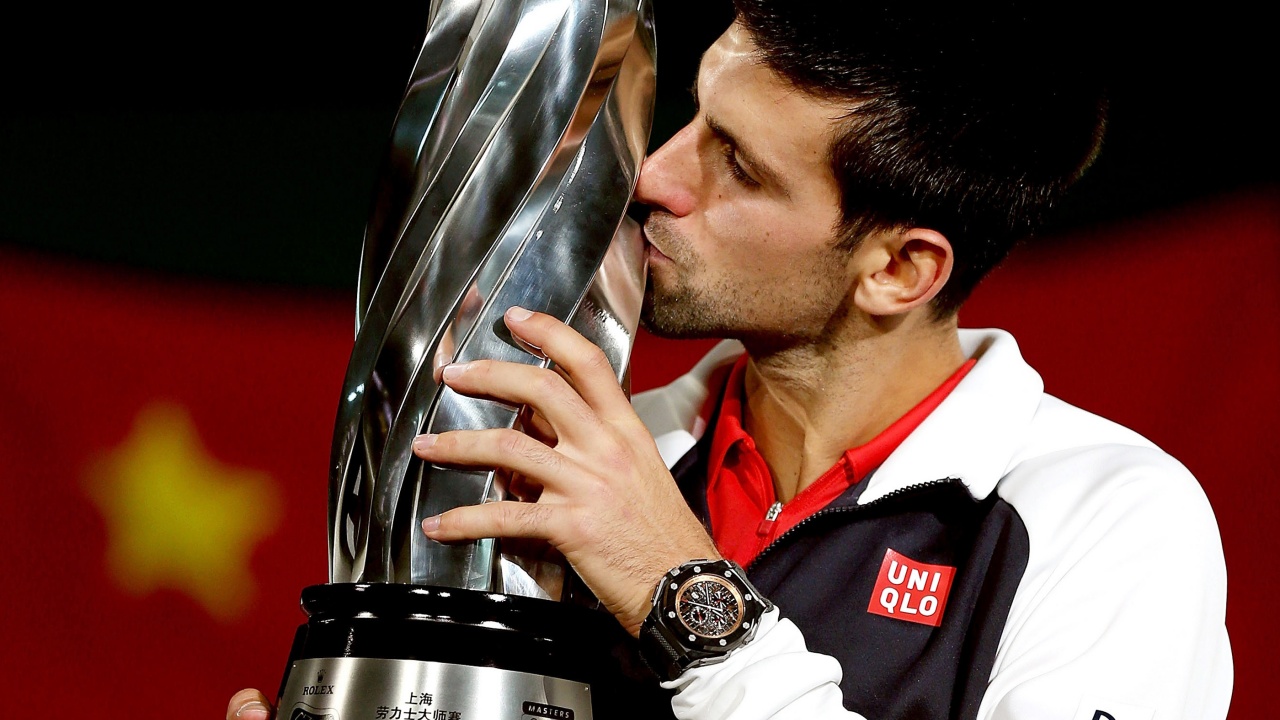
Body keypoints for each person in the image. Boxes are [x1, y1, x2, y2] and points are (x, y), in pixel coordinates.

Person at [229, 3, 1231, 718]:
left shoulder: (1109, 515)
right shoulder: (596, 459)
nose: (655, 175)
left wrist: (687, 601)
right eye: (696, 117)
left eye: (736, 166)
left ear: (897, 267)